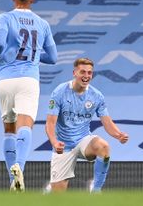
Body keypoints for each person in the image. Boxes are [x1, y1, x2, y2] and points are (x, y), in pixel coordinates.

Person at [0, 0, 57, 192]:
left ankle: (13, 180)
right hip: (28, 80)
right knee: (25, 126)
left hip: (6, 79)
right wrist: (33, 56)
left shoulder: (4, 18)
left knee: (9, 129)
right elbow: (53, 58)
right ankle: (20, 168)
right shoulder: (43, 24)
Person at [45, 58, 129, 192]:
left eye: (89, 73)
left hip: (84, 140)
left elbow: (107, 122)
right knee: (57, 197)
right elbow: (50, 123)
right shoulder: (60, 92)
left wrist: (118, 135)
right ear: (74, 73)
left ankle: (96, 190)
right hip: (63, 146)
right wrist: (54, 142)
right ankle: (51, 190)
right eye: (82, 72)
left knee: (103, 147)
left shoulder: (96, 96)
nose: (86, 76)